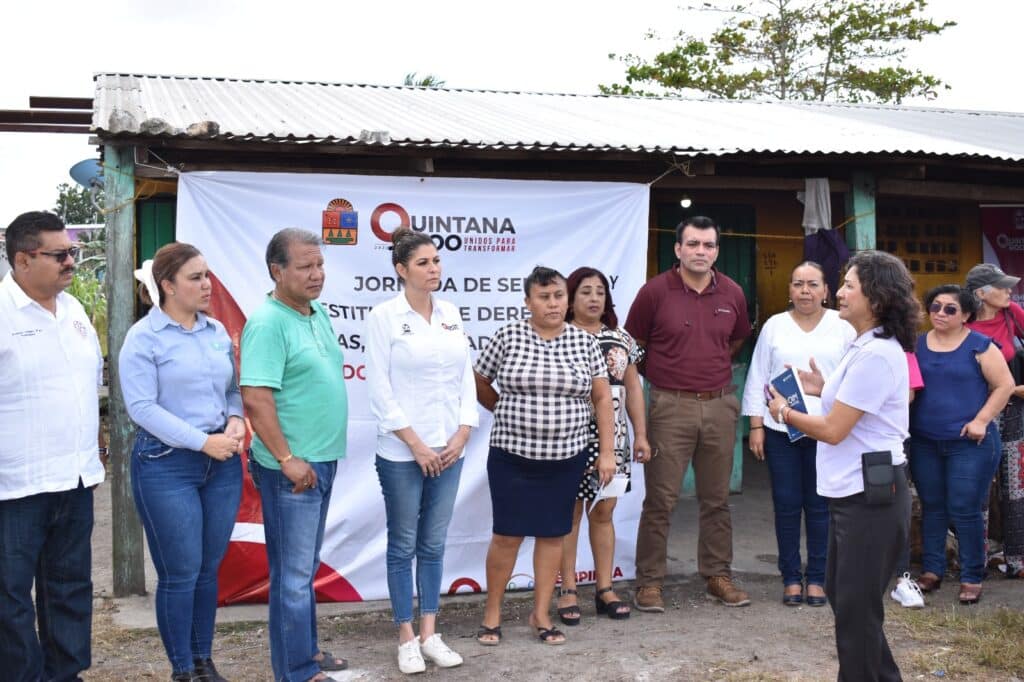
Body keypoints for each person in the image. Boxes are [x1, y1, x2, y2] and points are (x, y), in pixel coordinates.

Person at [767, 250, 919, 682]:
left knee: (856, 608)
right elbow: (850, 402)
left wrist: (785, 413)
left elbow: (834, 430)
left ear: (876, 295)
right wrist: (822, 385)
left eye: (850, 284)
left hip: (870, 494)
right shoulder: (865, 345)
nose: (841, 292)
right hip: (854, 491)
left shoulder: (875, 353)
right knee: (845, 597)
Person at [119, 243, 246, 681]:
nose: (207, 284)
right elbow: (142, 408)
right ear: (167, 286)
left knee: (208, 570)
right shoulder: (143, 338)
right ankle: (182, 670)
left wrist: (234, 420)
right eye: (196, 277)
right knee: (180, 572)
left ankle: (203, 661)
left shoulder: (214, 332)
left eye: (207, 274)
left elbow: (232, 391)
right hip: (166, 464)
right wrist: (202, 442)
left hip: (221, 465)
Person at [473, 266, 614, 646]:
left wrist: (605, 452)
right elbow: (479, 380)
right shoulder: (509, 335)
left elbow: (601, 397)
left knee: (553, 535)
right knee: (507, 535)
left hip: (566, 458)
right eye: (544, 297)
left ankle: (541, 614)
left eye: (558, 297)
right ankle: (492, 614)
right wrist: (507, 410)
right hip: (512, 456)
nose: (553, 304)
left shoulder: (584, 342)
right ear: (528, 301)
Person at [625, 215, 753, 611]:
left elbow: (735, 341)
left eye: (709, 245)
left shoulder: (732, 293)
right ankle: (649, 583)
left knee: (716, 499)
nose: (701, 252)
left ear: (716, 250)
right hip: (670, 405)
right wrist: (669, 378)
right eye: (693, 244)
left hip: (719, 404)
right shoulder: (654, 292)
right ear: (678, 248)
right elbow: (636, 346)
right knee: (661, 500)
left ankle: (717, 575)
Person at [365, 228, 478, 674]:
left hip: (448, 449)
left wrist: (464, 431)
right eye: (423, 263)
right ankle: (405, 636)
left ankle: (430, 632)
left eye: (437, 261)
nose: (434, 269)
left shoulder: (450, 313)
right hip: (400, 452)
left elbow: (464, 377)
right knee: (403, 544)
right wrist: (414, 444)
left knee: (433, 543)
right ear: (401, 269)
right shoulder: (384, 317)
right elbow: (379, 387)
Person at [240, 228, 349, 682]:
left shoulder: (315, 312)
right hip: (293, 468)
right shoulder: (267, 322)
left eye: (319, 265)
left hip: (319, 461)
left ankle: (306, 652)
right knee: (292, 575)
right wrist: (287, 459)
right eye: (305, 267)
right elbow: (256, 398)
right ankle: (297, 671)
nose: (316, 274)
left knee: (301, 570)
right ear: (276, 271)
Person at [0, 211, 105, 682]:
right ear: (23, 259)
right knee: (10, 596)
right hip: (14, 486)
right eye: (59, 254)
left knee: (70, 589)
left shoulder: (74, 311)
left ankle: (66, 674)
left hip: (75, 479)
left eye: (73, 252)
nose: (71, 262)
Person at [742, 261, 854, 607]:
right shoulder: (775, 326)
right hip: (780, 430)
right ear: (789, 290)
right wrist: (756, 426)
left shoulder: (843, 326)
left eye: (812, 284)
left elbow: (854, 376)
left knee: (820, 506)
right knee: (787, 504)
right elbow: (758, 373)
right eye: (798, 284)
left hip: (827, 429)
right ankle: (791, 576)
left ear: (825, 290)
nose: (805, 291)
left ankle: (818, 577)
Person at [556, 267, 651, 625]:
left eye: (600, 292)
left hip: (616, 441)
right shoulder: (560, 335)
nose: (594, 298)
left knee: (604, 512)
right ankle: (567, 588)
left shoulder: (621, 338)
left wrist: (640, 433)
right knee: (570, 514)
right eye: (585, 291)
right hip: (571, 437)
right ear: (570, 298)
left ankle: (604, 587)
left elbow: (634, 388)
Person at [908, 284, 1012, 605]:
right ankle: (933, 570)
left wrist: (981, 420)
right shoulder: (917, 345)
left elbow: (1005, 385)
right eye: (935, 306)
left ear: (966, 314)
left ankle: (971, 575)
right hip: (925, 441)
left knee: (965, 508)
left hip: (971, 444)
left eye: (950, 309)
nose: (940, 313)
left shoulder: (980, 346)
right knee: (932, 505)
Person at [964, 263, 1024, 579]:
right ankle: (976, 559)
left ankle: (1017, 559)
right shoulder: (963, 322)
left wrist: (1015, 388)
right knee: (979, 488)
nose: (1008, 290)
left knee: (1016, 488)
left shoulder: (1013, 313)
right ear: (981, 294)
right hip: (976, 414)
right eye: (1001, 286)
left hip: (1014, 410)